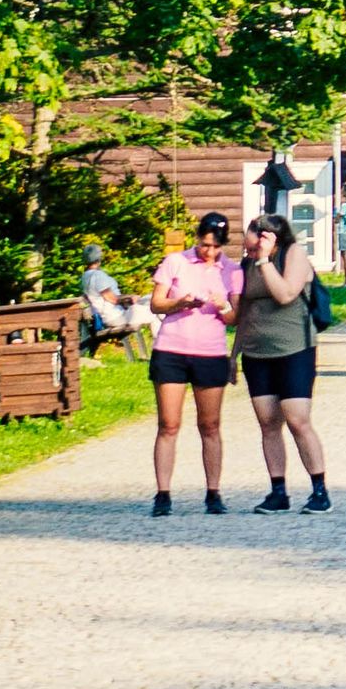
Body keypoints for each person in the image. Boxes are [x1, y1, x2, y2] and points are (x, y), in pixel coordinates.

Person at [148, 214, 244, 516]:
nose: (209, 252)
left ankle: (213, 492)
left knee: (210, 425)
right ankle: (162, 494)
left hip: (210, 351)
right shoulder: (175, 262)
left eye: (215, 247)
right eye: (204, 245)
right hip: (172, 349)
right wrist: (181, 303)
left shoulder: (232, 271)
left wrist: (223, 304)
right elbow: (155, 303)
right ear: (197, 238)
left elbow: (234, 318)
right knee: (169, 424)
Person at [235, 215, 331, 512]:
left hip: (294, 349)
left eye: (252, 244)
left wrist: (264, 262)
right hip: (256, 352)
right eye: (247, 247)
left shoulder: (294, 255)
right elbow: (244, 312)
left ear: (268, 238)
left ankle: (319, 490)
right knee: (268, 422)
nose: (247, 250)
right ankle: (278, 491)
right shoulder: (247, 264)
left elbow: (286, 293)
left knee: (297, 418)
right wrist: (233, 354)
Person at [79, 241, 154, 360]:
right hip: (115, 317)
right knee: (154, 311)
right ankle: (159, 350)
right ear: (99, 258)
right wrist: (129, 297)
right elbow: (112, 299)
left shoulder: (84, 277)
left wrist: (127, 300)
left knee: (149, 299)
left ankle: (151, 353)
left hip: (111, 315)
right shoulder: (98, 276)